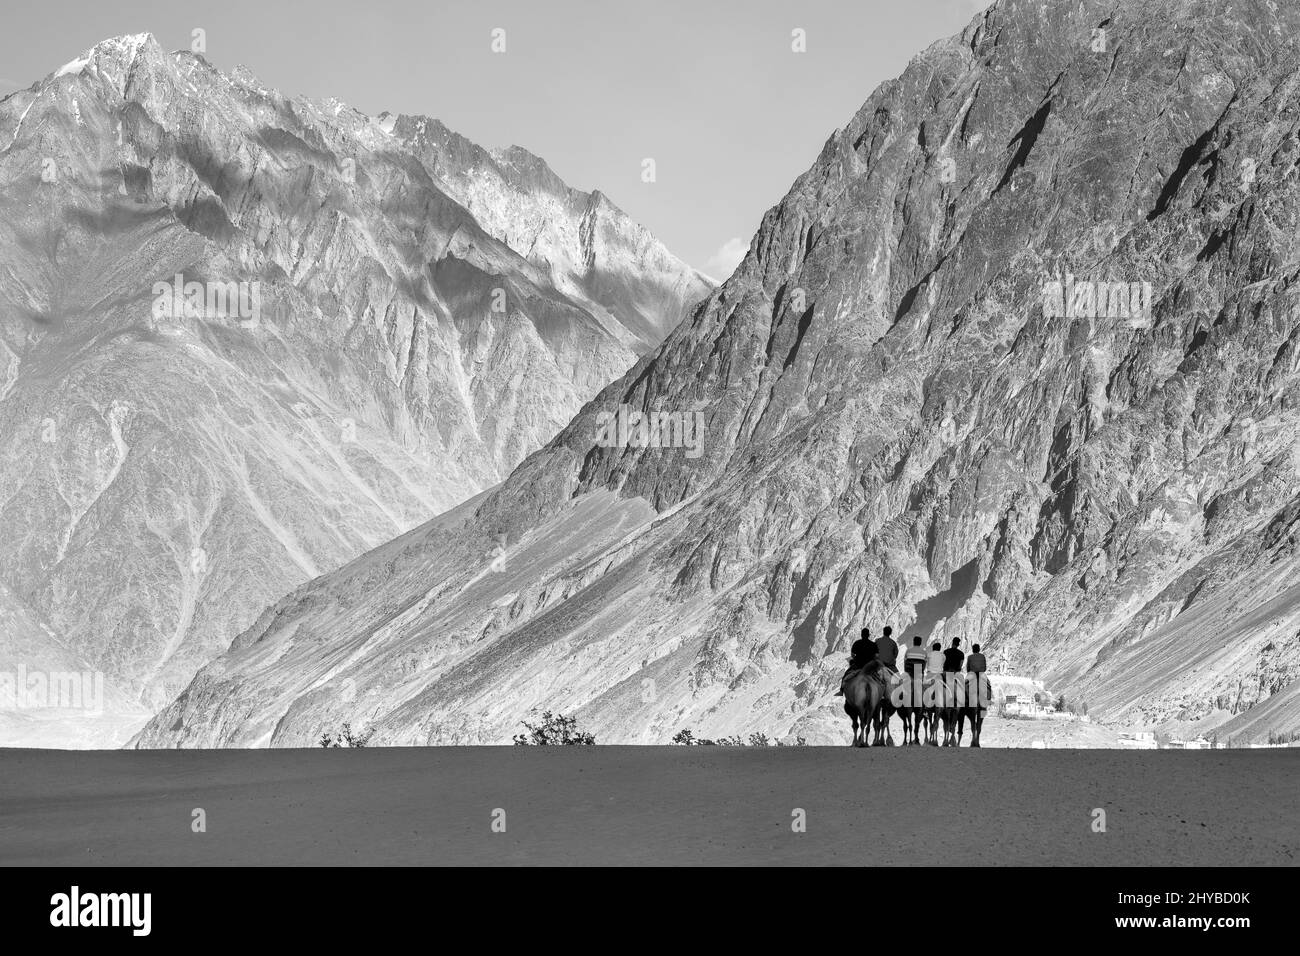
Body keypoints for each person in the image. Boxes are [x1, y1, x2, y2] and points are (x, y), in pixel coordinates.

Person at [834, 627, 879, 696]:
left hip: (858, 665)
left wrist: (855, 659)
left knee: (846, 675)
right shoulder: (873, 644)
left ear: (861, 635)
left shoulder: (857, 643)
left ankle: (841, 691)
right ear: (868, 635)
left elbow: (852, 654)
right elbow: (876, 656)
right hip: (870, 666)